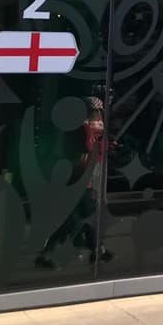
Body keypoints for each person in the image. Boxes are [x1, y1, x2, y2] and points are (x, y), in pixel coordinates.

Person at [37, 96, 111, 268]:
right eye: (97, 111)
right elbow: (83, 156)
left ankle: (98, 250)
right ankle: (48, 253)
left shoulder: (77, 127)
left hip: (75, 181)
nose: (99, 114)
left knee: (84, 218)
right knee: (76, 220)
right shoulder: (84, 129)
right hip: (79, 182)